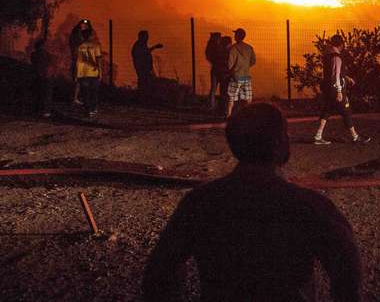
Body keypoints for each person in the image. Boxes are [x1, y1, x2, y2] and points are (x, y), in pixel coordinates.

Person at [142, 103, 362, 301]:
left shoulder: (199, 202)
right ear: (281, 142)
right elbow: (347, 267)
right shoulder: (310, 206)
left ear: (234, 144)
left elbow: (160, 271)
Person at [313, 34, 369, 145]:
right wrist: (339, 91)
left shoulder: (327, 55)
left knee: (327, 111)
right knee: (346, 111)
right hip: (336, 89)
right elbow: (335, 75)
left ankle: (318, 136)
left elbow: (332, 73)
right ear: (341, 45)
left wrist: (346, 78)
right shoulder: (336, 57)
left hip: (328, 88)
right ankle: (355, 137)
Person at [225, 28, 255, 117]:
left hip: (235, 76)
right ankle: (248, 115)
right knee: (247, 98)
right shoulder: (249, 48)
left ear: (237, 36)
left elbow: (229, 64)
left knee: (231, 97)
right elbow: (253, 61)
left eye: (235, 34)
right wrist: (245, 66)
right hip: (246, 76)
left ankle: (229, 115)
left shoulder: (233, 49)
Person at [74, 29, 102, 117]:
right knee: (94, 91)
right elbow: (98, 59)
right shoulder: (95, 46)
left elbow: (77, 61)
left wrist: (76, 73)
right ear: (91, 36)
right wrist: (100, 71)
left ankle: (88, 110)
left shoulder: (80, 46)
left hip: (83, 72)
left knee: (85, 92)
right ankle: (93, 109)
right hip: (93, 72)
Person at [131, 30, 163, 99]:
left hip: (145, 68)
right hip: (142, 68)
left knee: (146, 82)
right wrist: (155, 47)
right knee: (144, 81)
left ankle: (144, 97)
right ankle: (143, 97)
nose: (147, 38)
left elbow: (146, 52)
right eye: (146, 36)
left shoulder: (141, 44)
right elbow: (142, 54)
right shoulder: (138, 45)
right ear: (142, 37)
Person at [68, 18, 93, 105]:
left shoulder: (78, 34)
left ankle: (75, 97)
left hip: (80, 59)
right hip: (78, 59)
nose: (84, 26)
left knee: (79, 79)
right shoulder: (77, 35)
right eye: (83, 24)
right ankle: (74, 98)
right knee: (78, 79)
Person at [30, 39, 57, 117]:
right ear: (43, 46)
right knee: (47, 94)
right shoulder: (47, 54)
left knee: (39, 93)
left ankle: (38, 110)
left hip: (38, 76)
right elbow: (51, 65)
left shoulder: (34, 54)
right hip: (47, 76)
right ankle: (46, 111)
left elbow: (34, 64)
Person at [205, 32, 221, 110]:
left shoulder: (210, 45)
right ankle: (215, 105)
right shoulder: (218, 46)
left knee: (213, 88)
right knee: (221, 88)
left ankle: (211, 104)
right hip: (220, 69)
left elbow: (208, 56)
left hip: (215, 68)